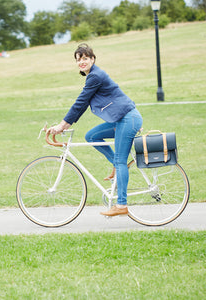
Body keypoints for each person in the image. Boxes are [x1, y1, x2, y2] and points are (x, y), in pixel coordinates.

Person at [47, 43, 143, 217]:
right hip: (123, 118)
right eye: (78, 59)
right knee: (91, 136)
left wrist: (62, 126)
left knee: (121, 161)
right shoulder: (93, 76)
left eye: (85, 58)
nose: (81, 62)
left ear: (92, 59)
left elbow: (81, 102)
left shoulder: (95, 76)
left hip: (127, 119)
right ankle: (116, 164)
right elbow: (83, 105)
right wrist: (65, 125)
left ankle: (121, 205)